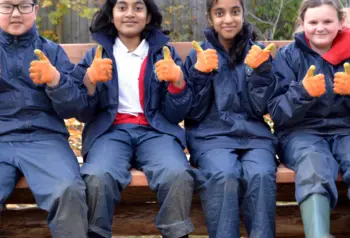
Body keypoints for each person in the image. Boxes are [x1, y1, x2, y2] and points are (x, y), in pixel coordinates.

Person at [71, 0, 195, 237]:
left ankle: (176, 232)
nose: (130, 14)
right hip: (111, 132)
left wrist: (177, 82)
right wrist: (89, 81)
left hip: (155, 131)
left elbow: (175, 113)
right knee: (97, 176)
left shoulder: (163, 53)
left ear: (148, 17)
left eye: (138, 8)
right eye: (122, 7)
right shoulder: (97, 55)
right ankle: (97, 233)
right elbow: (82, 112)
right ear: (112, 15)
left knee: (177, 174)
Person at [184, 0, 278, 237]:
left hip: (254, 136)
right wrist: (199, 74)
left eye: (235, 12)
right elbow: (192, 112)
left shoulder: (257, 52)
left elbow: (261, 108)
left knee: (261, 175)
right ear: (210, 18)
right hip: (211, 136)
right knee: (224, 175)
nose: (228, 19)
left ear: (243, 14)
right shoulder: (200, 55)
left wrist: (261, 73)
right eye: (220, 13)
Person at [0, 0, 88, 237]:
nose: (16, 14)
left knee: (68, 189)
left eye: (24, 6)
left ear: (36, 11)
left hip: (45, 139)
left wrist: (56, 80)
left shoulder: (52, 52)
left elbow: (76, 108)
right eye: (7, 6)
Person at [268, 0, 350, 237]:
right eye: (313, 22)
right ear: (302, 24)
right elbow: (277, 112)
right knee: (313, 165)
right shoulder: (287, 57)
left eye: (327, 21)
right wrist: (302, 93)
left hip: (346, 131)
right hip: (301, 133)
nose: (320, 28)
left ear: (340, 23)